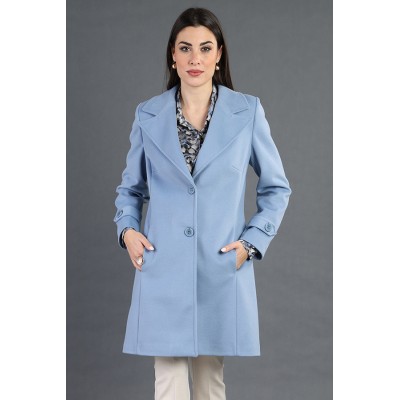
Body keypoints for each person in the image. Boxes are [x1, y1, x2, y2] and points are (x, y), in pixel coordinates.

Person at [113, 7, 292, 400]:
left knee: (211, 384)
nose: (195, 58)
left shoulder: (247, 112)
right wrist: (127, 230)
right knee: (168, 385)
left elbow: (277, 188)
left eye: (205, 48)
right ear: (173, 56)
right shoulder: (148, 115)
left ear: (219, 54)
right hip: (162, 268)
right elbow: (130, 189)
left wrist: (251, 243)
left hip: (219, 266)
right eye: (185, 48)